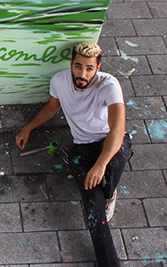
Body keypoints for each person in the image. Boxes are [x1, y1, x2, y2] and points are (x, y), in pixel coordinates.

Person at [15, 41, 132, 267]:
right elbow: (52, 107)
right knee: (93, 211)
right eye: (78, 66)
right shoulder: (59, 81)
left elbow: (117, 130)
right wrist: (28, 128)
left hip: (108, 140)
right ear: (71, 64)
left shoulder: (109, 85)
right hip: (82, 147)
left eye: (89, 68)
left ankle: (110, 193)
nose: (82, 73)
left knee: (114, 161)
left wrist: (99, 165)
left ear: (98, 68)